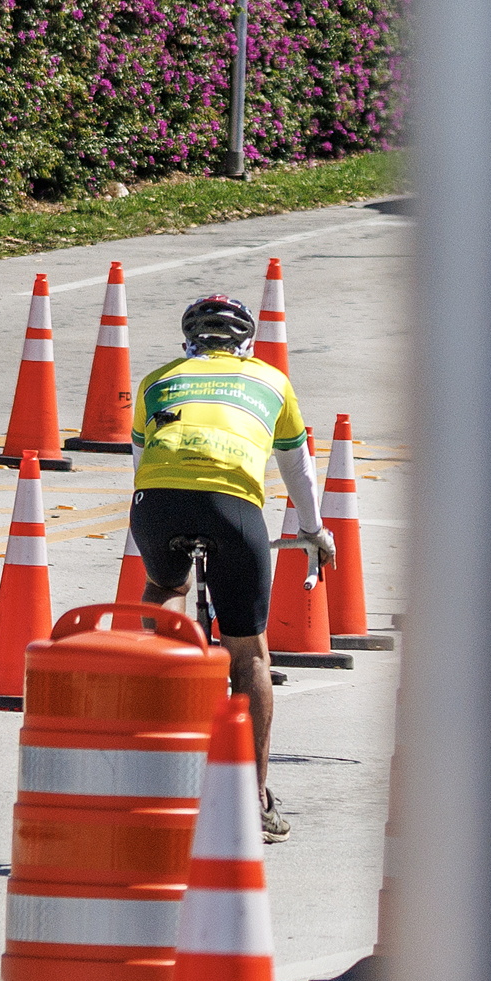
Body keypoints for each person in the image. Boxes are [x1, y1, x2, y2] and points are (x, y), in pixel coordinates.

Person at [128, 292, 330, 831]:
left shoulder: (156, 380)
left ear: (188, 341)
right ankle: (253, 798)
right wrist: (312, 532)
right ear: (247, 343)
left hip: (157, 501)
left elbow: (141, 463)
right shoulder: (271, 380)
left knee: (165, 583)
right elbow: (299, 471)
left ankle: (164, 669)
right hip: (231, 504)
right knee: (251, 653)